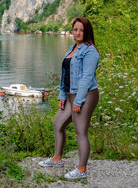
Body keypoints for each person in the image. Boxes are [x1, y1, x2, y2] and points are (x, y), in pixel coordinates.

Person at [39, 17, 100, 179]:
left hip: (86, 95)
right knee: (58, 124)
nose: (78, 33)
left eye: (82, 30)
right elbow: (64, 75)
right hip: (69, 94)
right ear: (72, 31)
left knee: (81, 131)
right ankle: (57, 159)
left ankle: (81, 170)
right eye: (75, 30)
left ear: (87, 32)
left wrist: (78, 101)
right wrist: (62, 95)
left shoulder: (90, 51)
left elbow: (87, 78)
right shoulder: (72, 48)